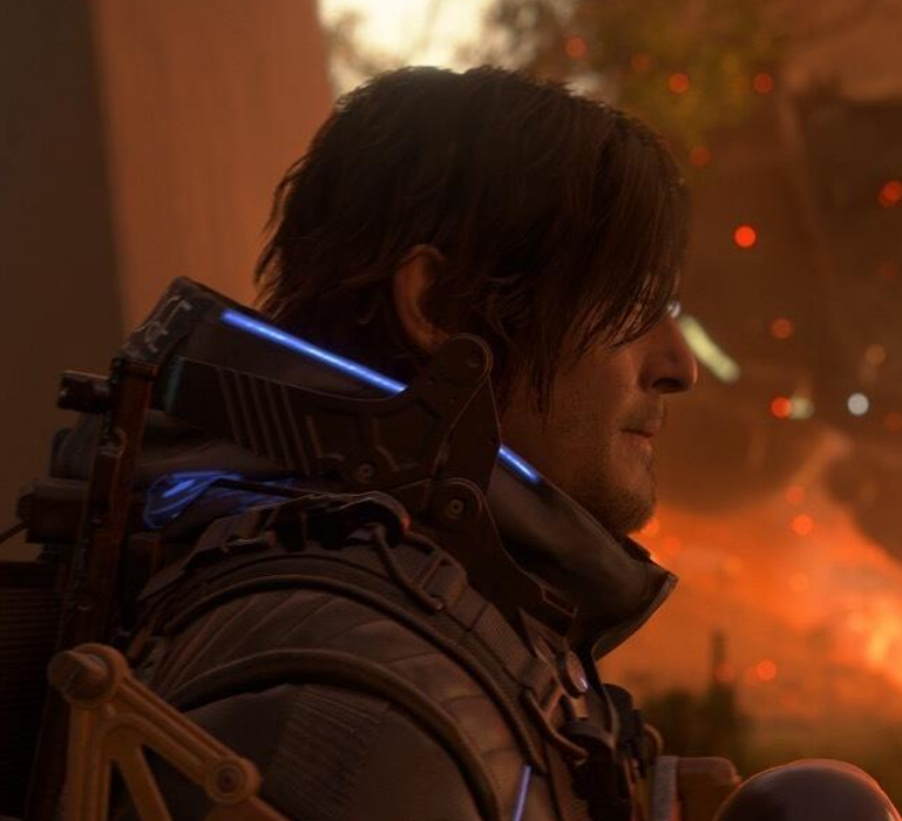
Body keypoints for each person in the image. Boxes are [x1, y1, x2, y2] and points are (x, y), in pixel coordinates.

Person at [97, 66, 700, 821]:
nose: (681, 367)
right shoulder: (359, 705)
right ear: (440, 306)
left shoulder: (424, 621)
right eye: (631, 306)